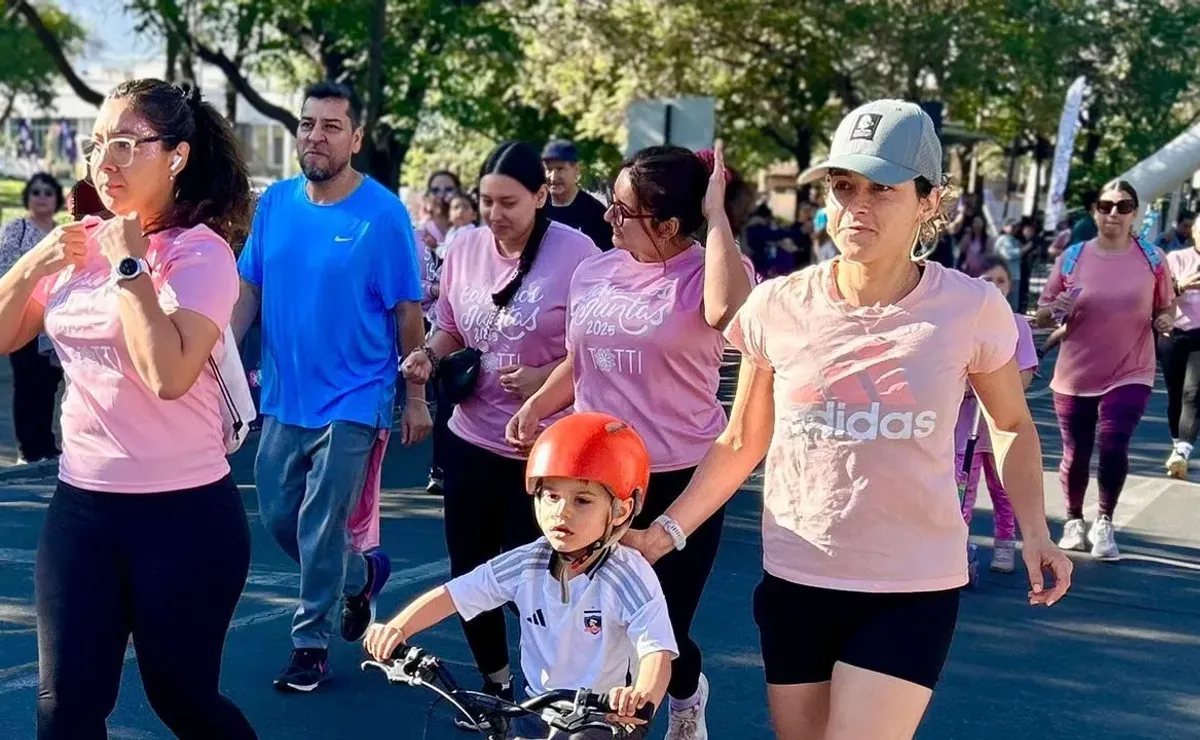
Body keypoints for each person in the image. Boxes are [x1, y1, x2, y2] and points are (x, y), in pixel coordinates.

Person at [623, 100, 1072, 740]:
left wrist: (1034, 531)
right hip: (797, 577)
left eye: (882, 189)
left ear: (928, 201)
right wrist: (664, 533)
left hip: (912, 585)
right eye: (843, 186)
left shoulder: (970, 307)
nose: (857, 205)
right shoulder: (777, 304)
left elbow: (1010, 425)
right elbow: (743, 437)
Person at [0, 79, 257, 739]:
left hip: (185, 518)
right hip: (82, 511)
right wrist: (32, 266)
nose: (103, 162)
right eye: (95, 145)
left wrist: (130, 269)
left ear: (175, 156)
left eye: (124, 143)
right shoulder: (79, 243)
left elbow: (168, 374)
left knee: (183, 699)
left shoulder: (201, 254)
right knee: (64, 710)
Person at [507, 143, 754, 740]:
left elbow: (728, 311)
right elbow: (581, 359)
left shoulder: (712, 272)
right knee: (595, 626)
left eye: (622, 210)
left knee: (662, 631)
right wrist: (538, 406)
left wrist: (715, 214)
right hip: (593, 476)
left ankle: (686, 695)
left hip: (679, 482)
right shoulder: (595, 270)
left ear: (668, 226)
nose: (606, 217)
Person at [230, 80, 431, 692]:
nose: (316, 136)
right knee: (278, 515)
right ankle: (358, 576)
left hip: (356, 395)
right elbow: (249, 289)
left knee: (320, 521)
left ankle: (309, 645)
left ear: (356, 138)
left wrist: (414, 397)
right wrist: (218, 364)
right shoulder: (275, 204)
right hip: (284, 397)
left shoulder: (383, 214)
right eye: (308, 124)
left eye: (331, 126)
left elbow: (407, 311)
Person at [400, 140, 600, 718]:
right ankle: (496, 686)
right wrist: (428, 357)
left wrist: (544, 377)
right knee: (470, 573)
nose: (494, 214)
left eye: (508, 202)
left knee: (541, 579)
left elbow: (593, 346)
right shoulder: (464, 247)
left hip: (547, 451)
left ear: (540, 197)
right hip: (471, 438)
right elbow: (451, 327)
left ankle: (562, 689)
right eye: (486, 201)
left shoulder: (577, 253)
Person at [365, 412, 677, 739]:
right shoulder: (528, 562)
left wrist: (640, 697)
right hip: (536, 709)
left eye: (582, 500)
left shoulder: (628, 577)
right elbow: (456, 594)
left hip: (603, 717)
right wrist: (399, 627)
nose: (561, 512)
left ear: (620, 511)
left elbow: (656, 651)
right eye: (551, 496)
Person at [1035, 179, 1174, 561]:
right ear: (1095, 212)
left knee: (1114, 443)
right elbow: (1043, 314)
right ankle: (1073, 520)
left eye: (1123, 206)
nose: (1114, 213)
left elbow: (1166, 306)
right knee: (1076, 452)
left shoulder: (1152, 258)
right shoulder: (1073, 257)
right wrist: (1055, 309)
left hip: (1132, 368)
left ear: (1135, 214)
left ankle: (1105, 522)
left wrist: (1165, 320)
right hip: (1077, 372)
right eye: (1106, 205)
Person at [956, 256, 1039, 574]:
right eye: (986, 280)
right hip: (964, 428)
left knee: (1003, 490)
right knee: (961, 490)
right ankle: (957, 548)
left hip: (998, 429)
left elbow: (1025, 373)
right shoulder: (961, 324)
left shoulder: (1017, 325)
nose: (994, 287)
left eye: (1001, 281)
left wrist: (991, 385)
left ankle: (1005, 543)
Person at [0, 172, 65, 464]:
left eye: (48, 193)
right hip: (24, 317)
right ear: (28, 197)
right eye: (36, 192)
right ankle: (28, 450)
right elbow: (6, 269)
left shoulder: (62, 233)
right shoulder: (18, 228)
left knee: (49, 382)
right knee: (27, 383)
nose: (41, 198)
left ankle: (46, 444)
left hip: (51, 323)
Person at [1158, 235, 1200, 478]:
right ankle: (1178, 444)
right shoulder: (1176, 258)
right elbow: (1159, 294)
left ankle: (1183, 451)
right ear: (1195, 233)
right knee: (1175, 393)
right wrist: (1182, 285)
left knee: (1192, 393)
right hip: (1174, 333)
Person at [543, 139, 614, 251]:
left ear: (576, 169)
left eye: (560, 169)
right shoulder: (536, 208)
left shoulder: (595, 213)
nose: (553, 177)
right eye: (549, 169)